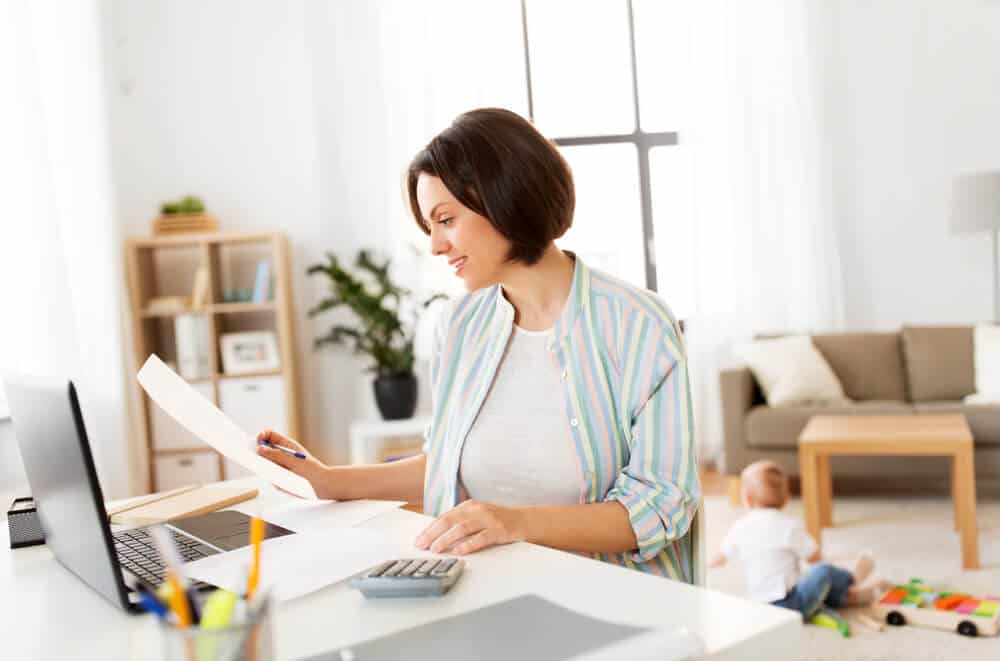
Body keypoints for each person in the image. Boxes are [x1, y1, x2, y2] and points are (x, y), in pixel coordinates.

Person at [257, 107, 701, 582]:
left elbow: (661, 505)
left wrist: (517, 523)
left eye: (446, 219)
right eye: (429, 226)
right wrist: (329, 481)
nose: (435, 245)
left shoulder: (636, 324)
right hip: (487, 588)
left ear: (505, 198)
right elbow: (445, 466)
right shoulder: (460, 325)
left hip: (616, 601)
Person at [710, 460, 889, 619]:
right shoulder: (789, 526)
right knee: (822, 571)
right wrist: (830, 572)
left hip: (761, 607)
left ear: (747, 499)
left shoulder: (739, 527)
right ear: (786, 499)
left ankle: (853, 596)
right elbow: (814, 558)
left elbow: (720, 557)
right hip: (792, 604)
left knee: (815, 582)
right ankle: (852, 579)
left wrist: (704, 568)